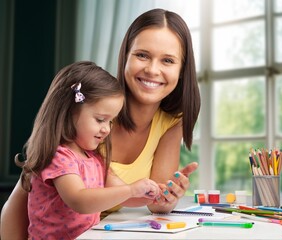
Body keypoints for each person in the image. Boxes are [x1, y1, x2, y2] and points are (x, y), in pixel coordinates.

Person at [0, 8, 200, 239]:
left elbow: (148, 202)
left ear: (182, 69)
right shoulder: (77, 134)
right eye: (142, 55)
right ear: (125, 55)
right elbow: (35, 196)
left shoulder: (165, 124)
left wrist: (164, 195)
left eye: (167, 60)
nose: (152, 70)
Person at [12, 61, 161, 239]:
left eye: (111, 121)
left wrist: (150, 196)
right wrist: (131, 189)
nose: (107, 129)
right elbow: (79, 200)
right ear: (69, 112)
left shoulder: (95, 158)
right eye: (100, 120)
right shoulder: (59, 157)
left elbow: (123, 197)